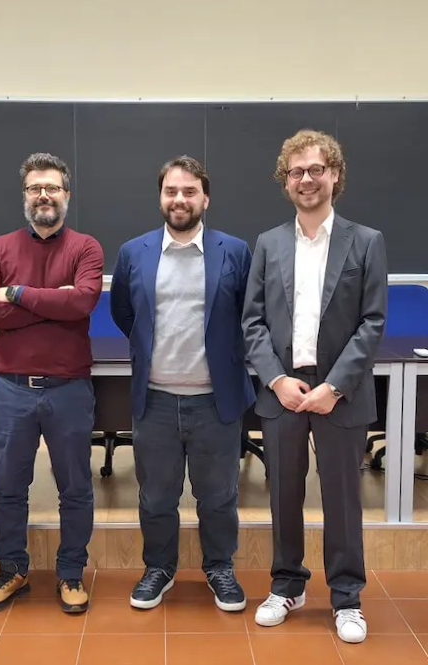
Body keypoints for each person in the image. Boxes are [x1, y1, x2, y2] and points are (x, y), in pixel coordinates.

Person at [242, 129, 387, 644]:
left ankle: (346, 597)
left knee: (343, 498)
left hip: (339, 394)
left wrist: (334, 386)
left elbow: (372, 323)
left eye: (315, 169)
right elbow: (252, 323)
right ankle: (287, 585)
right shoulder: (268, 243)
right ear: (287, 182)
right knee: (283, 493)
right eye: (296, 171)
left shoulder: (366, 242)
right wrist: (277, 378)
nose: (306, 179)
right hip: (282, 392)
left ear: (335, 176)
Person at [110, 156, 255, 612]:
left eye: (189, 191)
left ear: (205, 198)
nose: (180, 200)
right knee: (155, 497)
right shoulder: (135, 252)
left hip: (216, 401)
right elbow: (124, 313)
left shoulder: (234, 250)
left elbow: (249, 315)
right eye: (172, 191)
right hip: (153, 400)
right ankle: (159, 568)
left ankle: (220, 568)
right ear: (160, 197)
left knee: (218, 497)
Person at [0, 152, 104, 614]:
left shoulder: (86, 248)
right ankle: (12, 570)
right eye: (34, 188)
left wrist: (18, 294)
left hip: (69, 388)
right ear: (25, 195)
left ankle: (70, 574)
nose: (43, 195)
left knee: (75, 487)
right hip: (11, 389)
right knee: (8, 486)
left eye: (52, 187)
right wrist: (53, 302)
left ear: (66, 194)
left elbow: (84, 303)